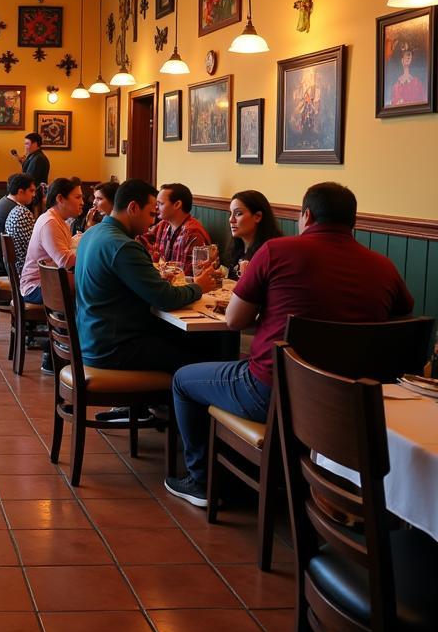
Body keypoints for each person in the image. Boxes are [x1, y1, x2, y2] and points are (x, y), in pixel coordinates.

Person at [167, 182, 414, 509]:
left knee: (183, 380)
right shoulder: (384, 267)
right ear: (353, 222)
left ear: (306, 215)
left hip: (272, 391)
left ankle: (201, 481)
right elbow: (402, 319)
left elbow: (235, 321)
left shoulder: (276, 251)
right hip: (351, 399)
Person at [75, 179, 218, 417]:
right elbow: (165, 298)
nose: (154, 220)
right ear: (133, 208)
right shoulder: (122, 246)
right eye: (151, 213)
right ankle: (196, 434)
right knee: (199, 358)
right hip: (115, 347)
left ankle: (157, 411)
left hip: (90, 339)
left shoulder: (93, 233)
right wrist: (199, 286)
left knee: (181, 340)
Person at [19, 177, 84, 306]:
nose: (82, 202)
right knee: (91, 288)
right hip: (35, 288)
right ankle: (71, 325)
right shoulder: (50, 222)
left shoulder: (60, 221)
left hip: (50, 282)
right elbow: (65, 261)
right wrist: (91, 253)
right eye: (77, 197)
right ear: (60, 199)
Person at [141, 182, 212, 275]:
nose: (156, 207)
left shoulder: (193, 233)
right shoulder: (164, 225)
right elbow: (141, 239)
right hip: (166, 283)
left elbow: (194, 275)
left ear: (177, 204)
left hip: (184, 287)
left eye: (160, 203)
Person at [224, 189, 282, 279]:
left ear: (258, 216)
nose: (231, 220)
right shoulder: (237, 249)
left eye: (238, 213)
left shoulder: (269, 253)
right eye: (230, 214)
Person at [0, 173, 35, 274]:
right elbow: (30, 245)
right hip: (6, 264)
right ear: (20, 192)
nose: (34, 194)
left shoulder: (3, 203)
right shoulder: (18, 211)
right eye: (31, 191)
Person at [10, 132, 50, 212]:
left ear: (35, 144)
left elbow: (29, 179)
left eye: (27, 144)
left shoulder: (38, 159)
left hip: (34, 197)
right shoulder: (34, 156)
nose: (25, 147)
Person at [390, 41, 427, 105]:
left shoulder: (417, 84)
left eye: (409, 54)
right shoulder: (395, 87)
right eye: (404, 53)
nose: (407, 56)